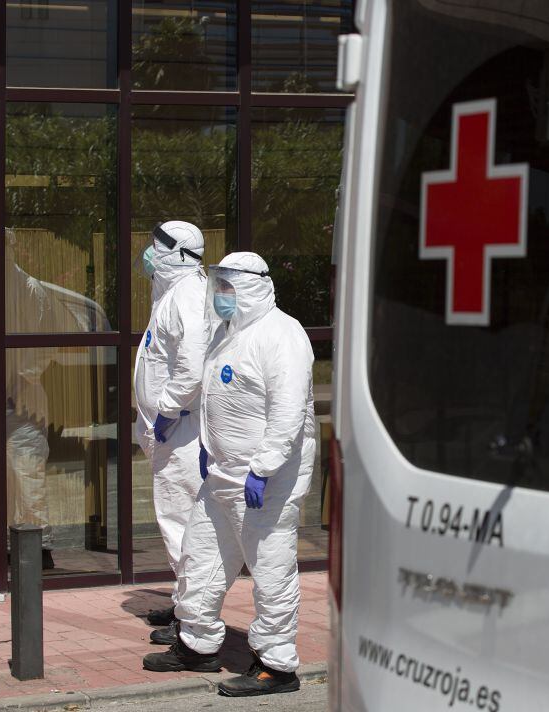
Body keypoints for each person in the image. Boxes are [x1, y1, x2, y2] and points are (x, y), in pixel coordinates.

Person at [143, 252, 316, 698]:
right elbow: (217, 397)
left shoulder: (282, 335)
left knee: (271, 569)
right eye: (216, 285)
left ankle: (276, 666)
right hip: (220, 475)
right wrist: (206, 448)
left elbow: (288, 412)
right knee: (200, 558)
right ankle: (196, 645)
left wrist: (264, 468)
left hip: (265, 484)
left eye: (227, 286)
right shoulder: (227, 334)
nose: (220, 294)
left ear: (253, 286)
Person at [133, 221, 212, 639]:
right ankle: (186, 604)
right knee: (175, 521)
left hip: (180, 430)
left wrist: (167, 410)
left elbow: (191, 363)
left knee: (183, 523)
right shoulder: (172, 292)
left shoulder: (187, 294)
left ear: (177, 253)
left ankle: (193, 621)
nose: (148, 252)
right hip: (169, 430)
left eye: (154, 246)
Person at [4, 230, 61, 569]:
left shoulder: (30, 290)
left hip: (23, 398)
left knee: (26, 472)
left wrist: (19, 380)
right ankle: (13, 542)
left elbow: (44, 344)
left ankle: (39, 548)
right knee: (3, 478)